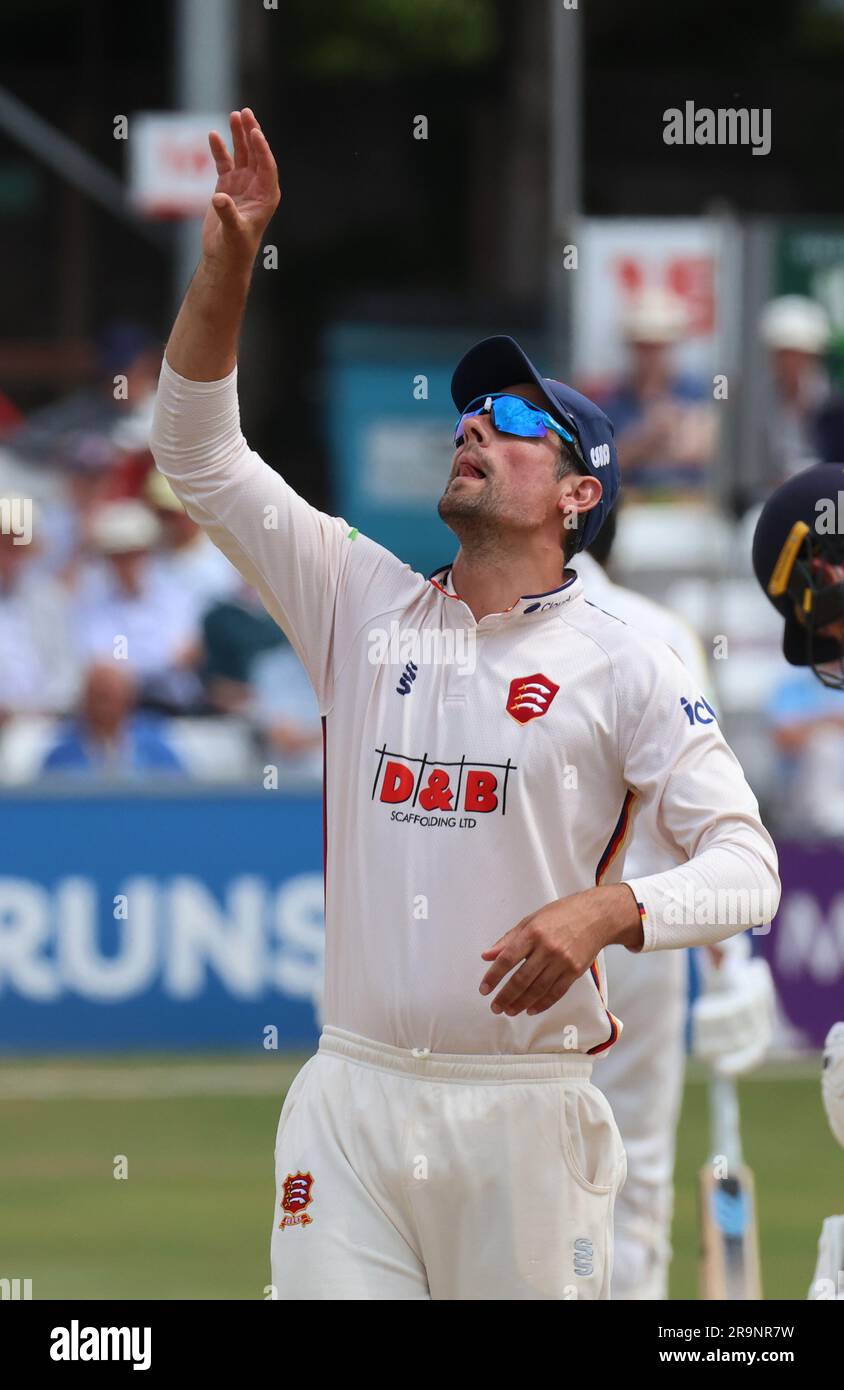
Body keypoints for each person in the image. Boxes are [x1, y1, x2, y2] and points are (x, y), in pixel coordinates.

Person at [150, 108, 780, 1302]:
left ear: (578, 492)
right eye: (474, 410)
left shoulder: (629, 657)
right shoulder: (359, 600)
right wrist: (231, 253)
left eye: (522, 419)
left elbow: (749, 867)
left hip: (524, 1115)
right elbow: (195, 452)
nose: (478, 422)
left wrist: (608, 910)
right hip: (352, 1103)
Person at [573, 513, 775, 1299]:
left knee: (506, 1174)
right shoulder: (661, 631)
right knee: (633, 1179)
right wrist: (734, 965)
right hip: (641, 938)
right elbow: (705, 824)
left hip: (524, 941)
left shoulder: (473, 622)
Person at [592, 288, 716, 499]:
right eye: (643, 346)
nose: (650, 356)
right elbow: (602, 465)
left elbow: (701, 451)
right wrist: (648, 437)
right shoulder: (612, 400)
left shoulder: (695, 391)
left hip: (690, 508)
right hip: (630, 508)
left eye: (657, 347)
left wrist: (636, 449)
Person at [42, 661, 183, 777]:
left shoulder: (157, 754)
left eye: (108, 698)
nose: (102, 707)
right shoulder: (60, 759)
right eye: (96, 697)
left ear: (129, 701)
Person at [759, 296, 844, 485]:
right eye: (783, 355)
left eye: (798, 356)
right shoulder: (760, 403)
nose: (790, 364)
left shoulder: (835, 408)